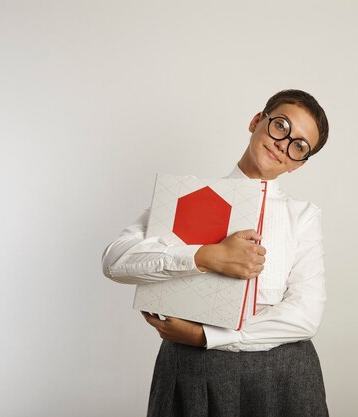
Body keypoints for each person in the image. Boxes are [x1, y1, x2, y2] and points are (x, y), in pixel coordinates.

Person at [102, 89, 330, 417]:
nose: (283, 144)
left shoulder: (302, 216)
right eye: (281, 126)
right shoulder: (189, 195)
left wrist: (205, 335)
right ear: (256, 121)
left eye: (298, 146)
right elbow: (115, 260)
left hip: (284, 377)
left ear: (299, 164)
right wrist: (206, 257)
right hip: (192, 371)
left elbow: (305, 316)